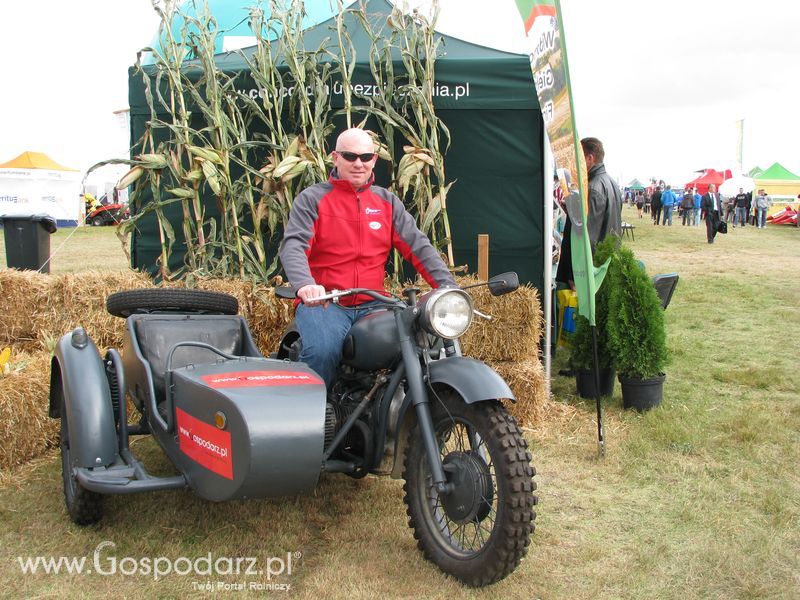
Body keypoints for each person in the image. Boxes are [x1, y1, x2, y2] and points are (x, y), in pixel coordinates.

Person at [279, 128, 456, 387]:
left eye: (366, 157)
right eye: (350, 156)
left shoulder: (387, 202)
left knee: (420, 343)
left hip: (374, 304)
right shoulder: (313, 199)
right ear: (335, 157)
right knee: (322, 351)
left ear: (374, 160)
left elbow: (418, 246)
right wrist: (305, 285)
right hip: (327, 304)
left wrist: (448, 286)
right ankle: (314, 419)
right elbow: (294, 245)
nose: (358, 163)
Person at [555, 136, 623, 288]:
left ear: (590, 158)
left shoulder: (592, 188)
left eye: (577, 159)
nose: (573, 164)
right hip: (604, 264)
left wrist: (577, 275)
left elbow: (587, 236)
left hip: (592, 272)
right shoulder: (610, 183)